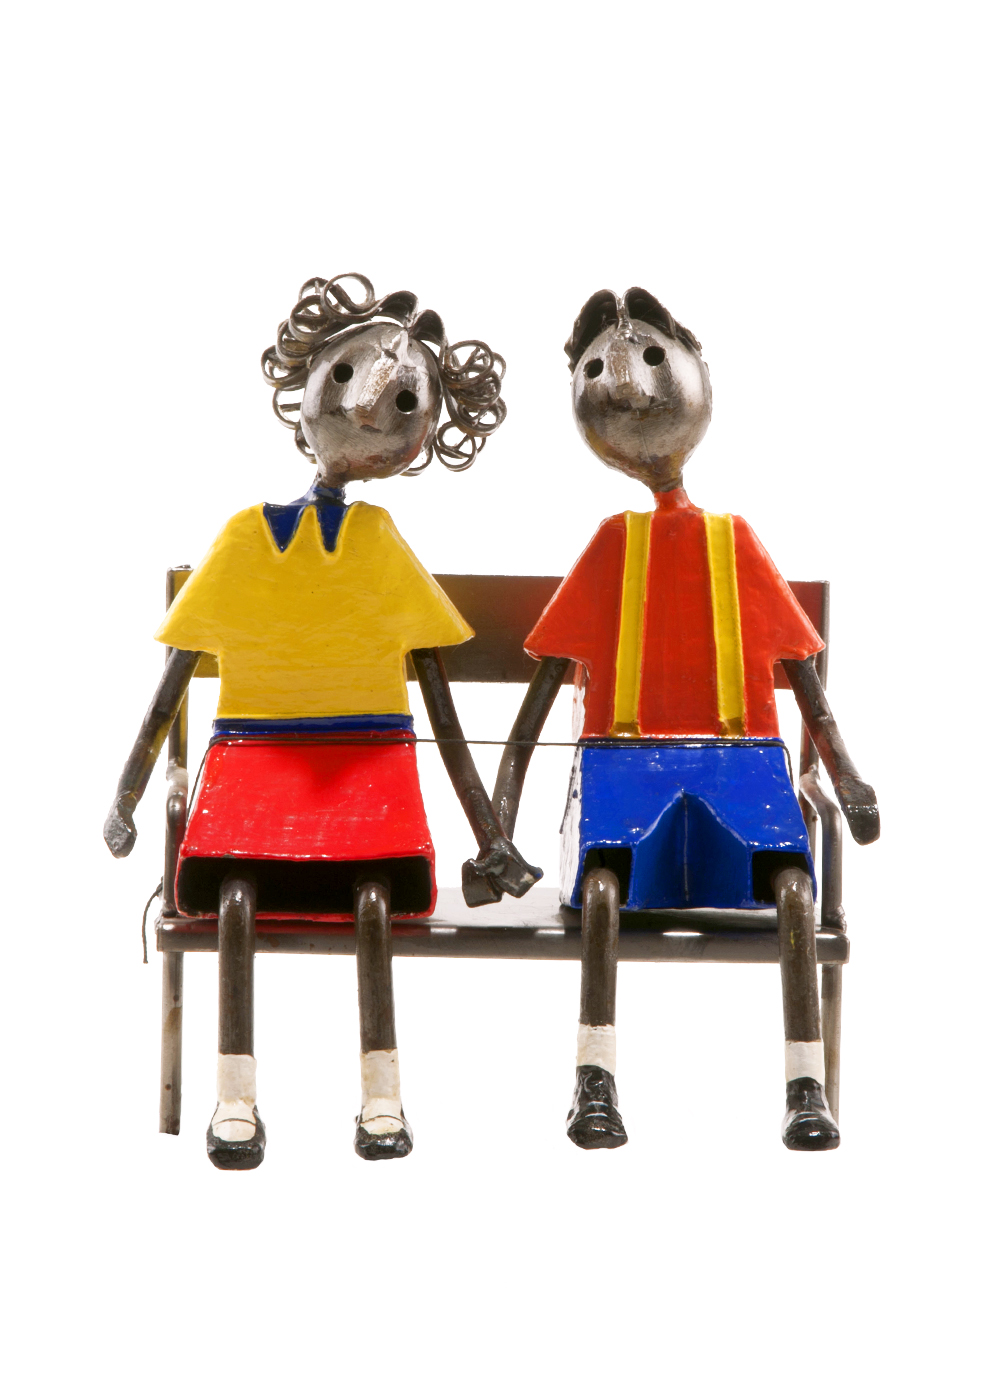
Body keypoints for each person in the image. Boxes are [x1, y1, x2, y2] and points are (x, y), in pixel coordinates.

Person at [105, 273, 540, 1169]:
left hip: (369, 763)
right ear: (306, 383)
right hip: (251, 761)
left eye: (405, 400)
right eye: (345, 374)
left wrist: (491, 835)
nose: (371, 403)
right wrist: (126, 795)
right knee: (233, 898)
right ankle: (236, 1094)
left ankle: (382, 1094)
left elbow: (440, 708)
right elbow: (173, 683)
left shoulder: (378, 545)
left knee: (373, 900)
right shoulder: (244, 537)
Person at [490, 287, 879, 1153]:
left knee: (793, 889)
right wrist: (499, 824)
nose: (627, 381)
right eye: (600, 369)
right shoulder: (613, 543)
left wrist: (847, 775)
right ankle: (594, 1078)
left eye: (653, 360)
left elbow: (802, 675)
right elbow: (537, 706)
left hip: (741, 761)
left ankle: (805, 1084)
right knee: (601, 891)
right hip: (624, 763)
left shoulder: (733, 541)